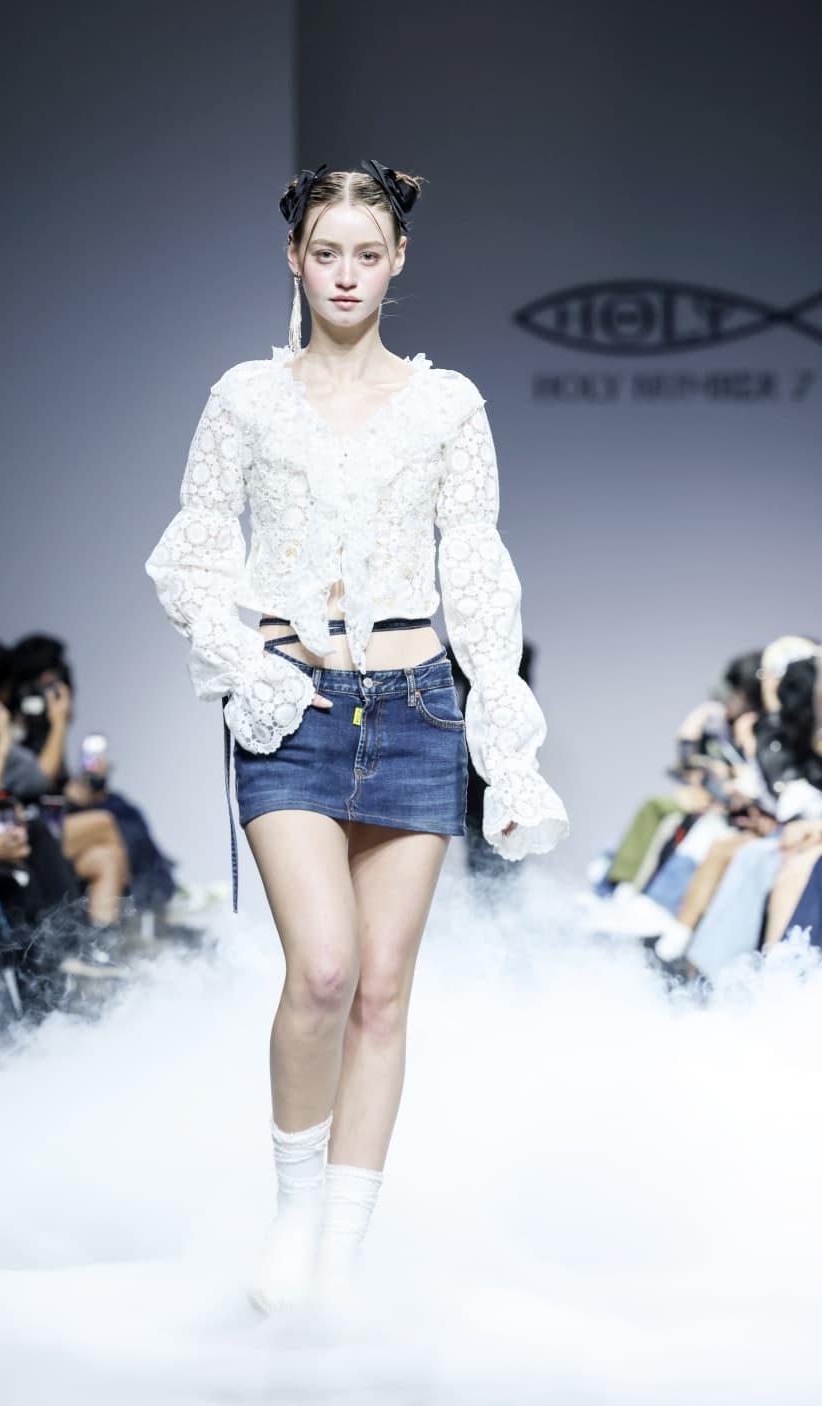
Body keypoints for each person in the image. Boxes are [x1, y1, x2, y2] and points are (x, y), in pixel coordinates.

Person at [145, 159, 569, 1315]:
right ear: (293, 257)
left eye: (366, 254)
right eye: (325, 252)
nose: (345, 274)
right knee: (323, 969)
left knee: (382, 991)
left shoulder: (447, 405)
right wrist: (245, 665)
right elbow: (195, 547)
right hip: (292, 707)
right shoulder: (245, 397)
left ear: (397, 261)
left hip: (418, 702)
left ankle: (339, 1255)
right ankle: (292, 1213)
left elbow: (474, 565)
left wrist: (505, 739)